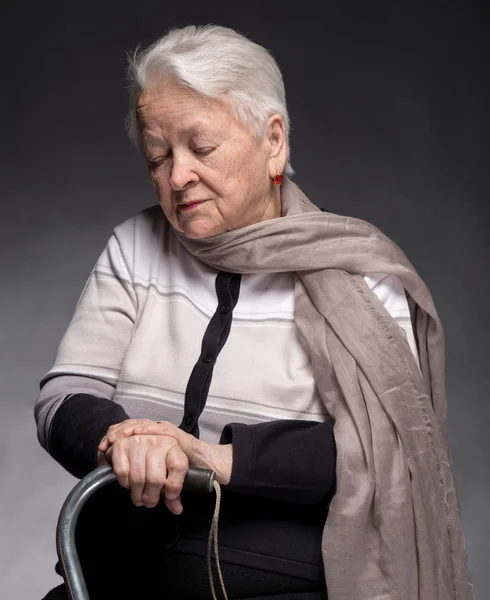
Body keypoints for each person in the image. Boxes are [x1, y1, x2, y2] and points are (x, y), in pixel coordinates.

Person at [35, 24, 472, 600]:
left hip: (277, 582)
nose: (178, 175)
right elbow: (62, 397)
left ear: (273, 141)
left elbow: (383, 445)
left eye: (202, 147)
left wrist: (210, 458)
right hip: (114, 571)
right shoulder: (135, 246)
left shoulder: (362, 275)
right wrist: (126, 440)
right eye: (158, 156)